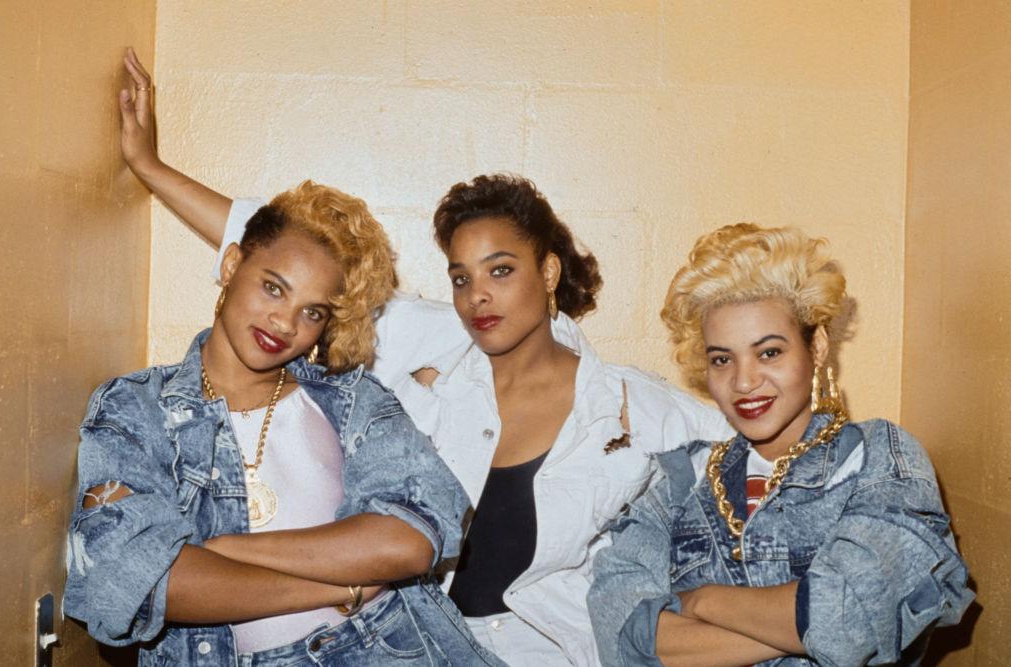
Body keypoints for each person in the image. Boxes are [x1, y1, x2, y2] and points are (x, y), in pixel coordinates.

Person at [115, 48, 732, 666]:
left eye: (501, 270)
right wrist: (149, 167)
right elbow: (291, 254)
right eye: (460, 277)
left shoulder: (628, 405)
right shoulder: (436, 357)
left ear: (548, 271)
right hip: (423, 644)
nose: (478, 295)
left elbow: (755, 436)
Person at [64, 177, 499, 665]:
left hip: (389, 647)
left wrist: (219, 548)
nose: (285, 323)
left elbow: (410, 541)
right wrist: (344, 588)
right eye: (273, 288)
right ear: (231, 265)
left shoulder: (353, 401)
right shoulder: (134, 407)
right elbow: (137, 583)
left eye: (311, 311)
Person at [587, 223, 974, 666]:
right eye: (722, 359)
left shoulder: (878, 456)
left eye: (769, 352)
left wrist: (701, 601)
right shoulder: (679, 479)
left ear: (818, 346)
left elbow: (846, 620)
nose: (745, 381)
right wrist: (815, 626)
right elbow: (623, 637)